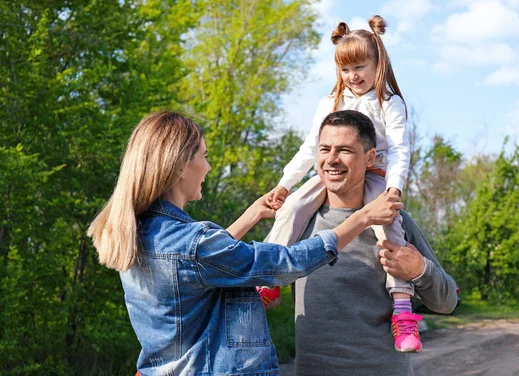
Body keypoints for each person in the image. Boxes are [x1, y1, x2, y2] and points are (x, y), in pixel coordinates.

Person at [86, 111, 402, 375]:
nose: (208, 168)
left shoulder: (141, 231)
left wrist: (251, 215)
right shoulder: (193, 244)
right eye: (204, 157)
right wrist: (361, 218)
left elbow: (204, 264)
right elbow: (285, 264)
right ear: (181, 166)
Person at [260, 15, 421, 351]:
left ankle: (403, 310)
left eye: (360, 67)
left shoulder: (389, 104)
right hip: (332, 175)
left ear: (379, 64)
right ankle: (268, 279)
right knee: (290, 211)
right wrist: (285, 184)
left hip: (375, 176)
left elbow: (401, 149)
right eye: (346, 70)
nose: (353, 77)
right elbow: (310, 148)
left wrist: (394, 189)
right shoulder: (331, 102)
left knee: (390, 229)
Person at [292, 110, 458, 375]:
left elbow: (447, 301)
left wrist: (419, 270)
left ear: (370, 157)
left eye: (345, 150)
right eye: (325, 149)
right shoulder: (297, 223)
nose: (332, 159)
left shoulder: (394, 222)